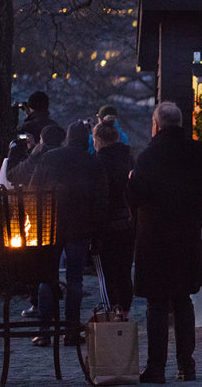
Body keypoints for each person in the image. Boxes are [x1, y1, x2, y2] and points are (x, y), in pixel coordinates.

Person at [125, 102, 202, 384]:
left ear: (156, 125)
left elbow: (135, 196)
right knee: (183, 301)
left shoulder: (148, 158)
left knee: (157, 305)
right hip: (187, 236)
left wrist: (130, 181)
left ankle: (156, 367)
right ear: (181, 124)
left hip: (155, 240)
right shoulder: (198, 152)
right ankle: (187, 366)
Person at [30, 121, 108, 347]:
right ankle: (71, 330)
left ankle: (44, 331)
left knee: (47, 278)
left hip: (50, 227)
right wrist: (97, 231)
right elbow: (101, 201)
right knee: (75, 280)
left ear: (67, 137)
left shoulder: (50, 158)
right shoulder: (93, 163)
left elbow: (34, 189)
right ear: (86, 139)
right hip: (80, 229)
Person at [5, 123, 66, 319]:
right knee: (51, 267)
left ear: (42, 139)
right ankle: (52, 308)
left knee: (37, 265)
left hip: (37, 219)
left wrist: (15, 151)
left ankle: (40, 306)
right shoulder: (64, 157)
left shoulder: (39, 155)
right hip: (61, 220)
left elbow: (14, 174)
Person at [93, 115, 135, 319]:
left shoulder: (99, 162)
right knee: (124, 269)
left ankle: (112, 310)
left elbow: (98, 196)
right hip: (128, 222)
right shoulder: (128, 158)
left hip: (108, 224)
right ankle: (124, 310)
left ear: (97, 140)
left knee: (108, 270)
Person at [8, 91, 58, 171]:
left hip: (29, 170)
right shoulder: (54, 126)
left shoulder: (27, 127)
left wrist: (14, 115)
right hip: (51, 169)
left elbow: (11, 137)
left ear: (31, 107)